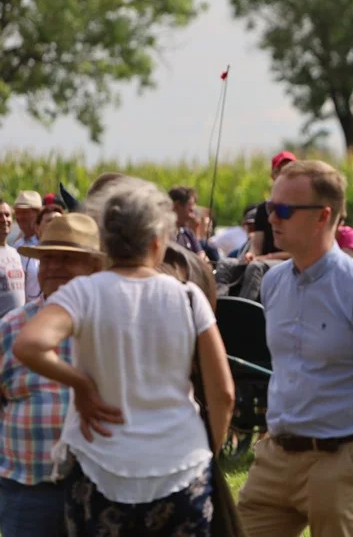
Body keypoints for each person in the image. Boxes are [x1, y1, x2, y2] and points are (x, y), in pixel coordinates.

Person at [12, 176, 235, 537]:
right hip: (182, 469)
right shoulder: (189, 297)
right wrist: (208, 449)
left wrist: (80, 383)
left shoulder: (83, 293)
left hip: (100, 469)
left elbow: (29, 345)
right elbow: (223, 393)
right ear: (158, 240)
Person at [236, 159, 353, 537]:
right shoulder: (273, 285)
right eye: (270, 208)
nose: (271, 218)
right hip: (275, 460)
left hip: (344, 460)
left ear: (323, 216)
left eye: (283, 210)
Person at [0, 213, 106, 537]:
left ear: (96, 268)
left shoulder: (114, 325)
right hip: (28, 489)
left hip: (102, 489)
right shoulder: (12, 327)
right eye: (47, 258)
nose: (54, 267)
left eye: (67, 258)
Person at [215, 153, 295, 301]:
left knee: (255, 268)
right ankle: (220, 308)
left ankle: (245, 314)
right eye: (281, 171)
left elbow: (294, 252)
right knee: (226, 264)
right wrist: (251, 254)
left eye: (290, 171)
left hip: (286, 262)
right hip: (262, 260)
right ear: (273, 175)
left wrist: (263, 258)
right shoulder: (262, 209)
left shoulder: (297, 208)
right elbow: (257, 244)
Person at [12, 191, 43, 301]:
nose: (20, 217)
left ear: (38, 214)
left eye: (25, 212)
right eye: (17, 212)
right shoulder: (17, 246)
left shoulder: (47, 244)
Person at [0, 201, 25, 318]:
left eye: (7, 215)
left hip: (17, 327)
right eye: (0, 215)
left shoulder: (15, 252)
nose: (4, 219)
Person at [169, 186, 205, 257]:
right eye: (190, 210)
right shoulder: (160, 234)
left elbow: (202, 258)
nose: (192, 216)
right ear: (176, 205)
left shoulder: (188, 234)